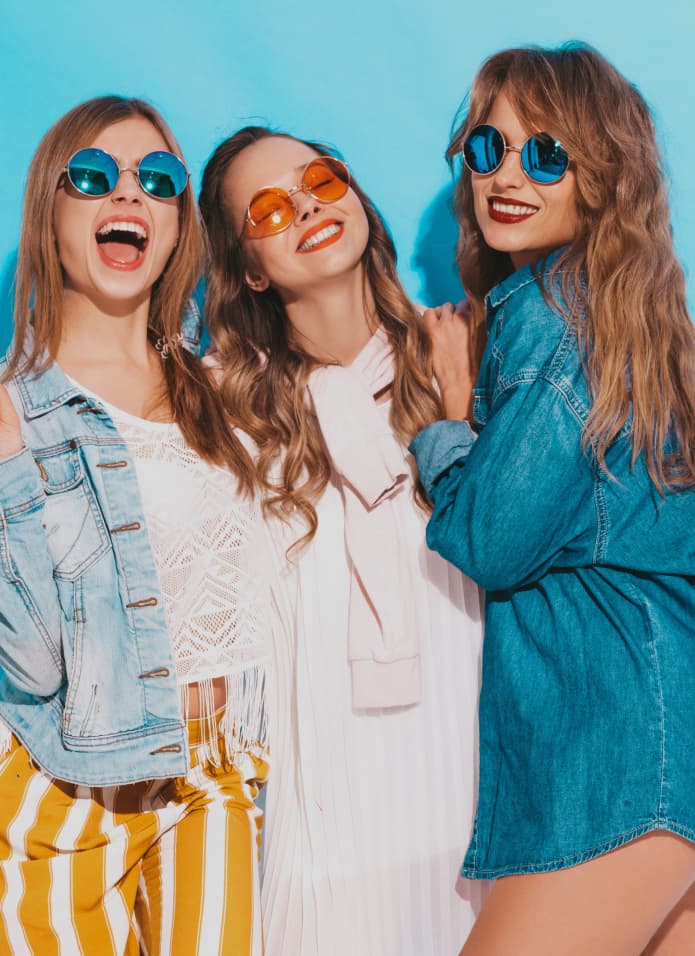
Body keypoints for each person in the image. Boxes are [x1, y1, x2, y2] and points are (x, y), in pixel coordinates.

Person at [408, 43, 695, 955]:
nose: (505, 176)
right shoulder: (637, 324)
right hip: (658, 749)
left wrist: (447, 422)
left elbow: (491, 538)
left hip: (611, 756)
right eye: (487, 149)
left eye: (545, 155)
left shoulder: (553, 311)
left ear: (601, 177)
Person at [199, 127, 485, 955]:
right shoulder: (224, 412)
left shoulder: (463, 361)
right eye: (267, 207)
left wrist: (459, 412)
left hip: (466, 772)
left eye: (319, 179)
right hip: (326, 795)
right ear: (248, 267)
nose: (305, 208)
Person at [0, 96, 271, 956]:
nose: (128, 196)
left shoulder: (225, 390)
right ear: (52, 207)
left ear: (178, 221)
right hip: (63, 783)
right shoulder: (14, 411)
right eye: (93, 176)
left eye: (157, 181)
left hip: (213, 777)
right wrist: (10, 479)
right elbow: (34, 662)